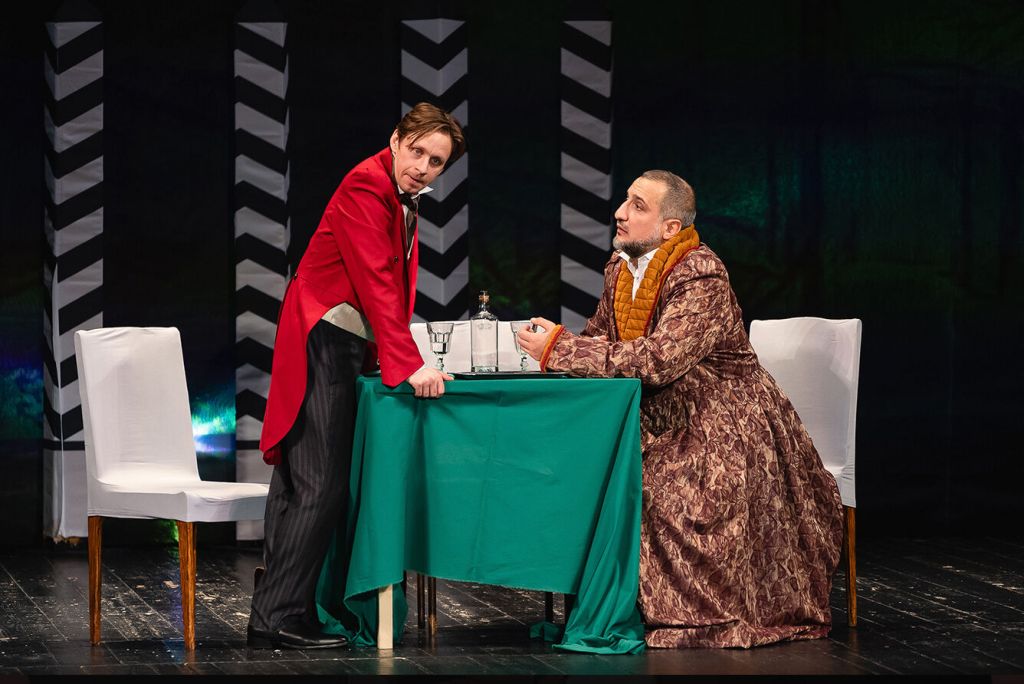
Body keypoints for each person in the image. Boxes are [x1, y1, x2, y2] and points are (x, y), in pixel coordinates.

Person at [517, 170, 844, 648]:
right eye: (625, 201)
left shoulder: (700, 274)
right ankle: (607, 603)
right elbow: (600, 339)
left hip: (722, 418)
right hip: (655, 416)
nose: (620, 213)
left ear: (670, 227)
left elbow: (660, 359)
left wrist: (561, 349)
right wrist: (561, 345)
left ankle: (691, 614)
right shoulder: (621, 268)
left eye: (638, 206)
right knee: (587, 467)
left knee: (662, 488)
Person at [247, 103, 465, 649]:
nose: (422, 167)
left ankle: (278, 610)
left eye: (436, 162)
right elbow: (376, 281)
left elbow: (387, 284)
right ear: (395, 139)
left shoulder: (396, 193)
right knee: (318, 484)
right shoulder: (367, 186)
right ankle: (277, 617)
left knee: (305, 481)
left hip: (342, 338)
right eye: (417, 151)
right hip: (324, 335)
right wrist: (407, 362)